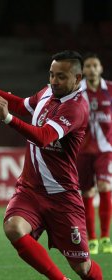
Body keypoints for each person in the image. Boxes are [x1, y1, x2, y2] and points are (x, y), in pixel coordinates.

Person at [0, 50, 103, 279]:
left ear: (78, 79)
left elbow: (44, 136)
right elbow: (21, 105)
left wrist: (8, 119)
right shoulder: (47, 92)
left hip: (62, 196)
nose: (54, 81)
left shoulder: (76, 108)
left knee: (83, 268)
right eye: (51, 74)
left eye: (61, 77)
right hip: (30, 189)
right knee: (13, 227)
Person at [77, 53, 112, 255]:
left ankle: (106, 237)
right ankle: (92, 240)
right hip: (82, 150)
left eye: (95, 65)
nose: (91, 69)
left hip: (105, 150)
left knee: (105, 186)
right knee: (87, 193)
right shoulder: (77, 91)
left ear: (100, 68)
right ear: (83, 70)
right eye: (88, 66)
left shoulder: (109, 89)